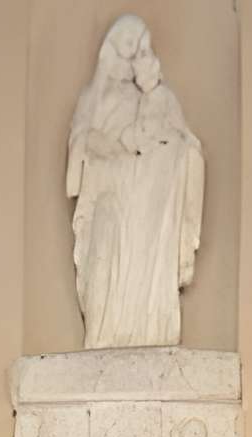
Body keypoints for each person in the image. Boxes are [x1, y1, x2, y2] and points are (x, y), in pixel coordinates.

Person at [67, 15, 203, 350]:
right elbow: (80, 149)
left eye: (142, 50)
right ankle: (102, 332)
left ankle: (148, 329)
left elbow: (183, 143)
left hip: (143, 197)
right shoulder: (93, 98)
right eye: (130, 48)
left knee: (146, 260)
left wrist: (163, 147)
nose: (135, 58)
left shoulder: (157, 97)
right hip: (108, 192)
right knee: (105, 246)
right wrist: (113, 148)